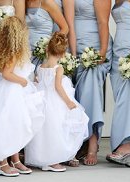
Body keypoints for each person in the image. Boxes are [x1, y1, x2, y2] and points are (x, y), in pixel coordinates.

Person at [0, 16, 45, 177]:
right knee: (6, 125)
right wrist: (23, 82)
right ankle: (2, 162)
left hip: (14, 92)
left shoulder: (10, 50)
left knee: (16, 125)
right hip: (10, 92)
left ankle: (15, 159)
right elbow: (7, 74)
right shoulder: (14, 51)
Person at [25, 32, 89, 172]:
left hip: (42, 101)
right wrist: (68, 102)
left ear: (47, 49)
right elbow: (58, 87)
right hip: (55, 102)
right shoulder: (58, 68)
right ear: (62, 54)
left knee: (43, 131)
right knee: (55, 130)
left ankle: (43, 159)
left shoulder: (41, 66)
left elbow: (36, 81)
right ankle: (52, 161)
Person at [71, 0, 113, 165]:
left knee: (91, 92)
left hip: (94, 46)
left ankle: (93, 145)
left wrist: (102, 51)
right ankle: (76, 144)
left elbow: (103, 22)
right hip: (73, 46)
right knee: (71, 95)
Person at [105, 0, 130, 167]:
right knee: (121, 99)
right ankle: (125, 147)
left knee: (128, 98)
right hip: (117, 49)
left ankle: (127, 146)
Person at [26, 0, 68, 66]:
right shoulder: (23, 3)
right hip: (26, 52)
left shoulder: (48, 2)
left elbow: (65, 28)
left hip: (44, 53)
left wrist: (51, 45)